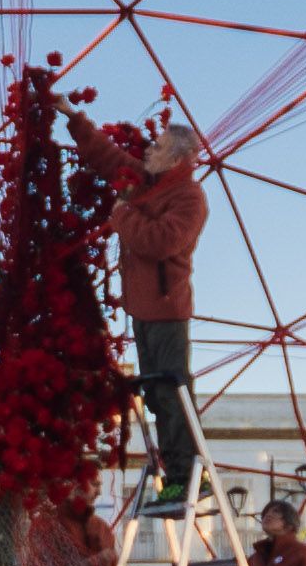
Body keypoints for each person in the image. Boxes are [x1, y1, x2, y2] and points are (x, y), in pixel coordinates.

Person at [62, 109, 209, 513]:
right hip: (144, 309)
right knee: (158, 394)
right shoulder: (148, 184)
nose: (149, 150)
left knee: (172, 391)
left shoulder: (189, 197)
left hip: (166, 310)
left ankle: (188, 476)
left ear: (177, 158)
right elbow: (109, 158)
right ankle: (179, 475)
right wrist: (73, 118)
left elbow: (160, 241)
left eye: (158, 147)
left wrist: (122, 214)